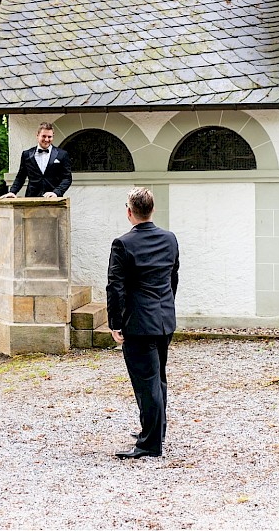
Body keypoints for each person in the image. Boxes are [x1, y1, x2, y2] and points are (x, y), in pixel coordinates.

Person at [106, 187, 180, 459]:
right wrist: (166, 308)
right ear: (152, 210)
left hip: (138, 323)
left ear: (129, 212)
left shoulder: (123, 244)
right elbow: (173, 279)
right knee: (158, 379)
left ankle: (150, 444)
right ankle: (155, 432)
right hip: (164, 320)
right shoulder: (170, 239)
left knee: (147, 383)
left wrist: (115, 322)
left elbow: (116, 287)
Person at [1, 122, 72, 198]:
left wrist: (56, 192)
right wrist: (12, 192)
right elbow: (20, 177)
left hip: (55, 200)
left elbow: (67, 178)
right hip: (32, 199)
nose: (46, 139)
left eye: (49, 137)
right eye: (44, 136)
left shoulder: (62, 154)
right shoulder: (26, 154)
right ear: (37, 136)